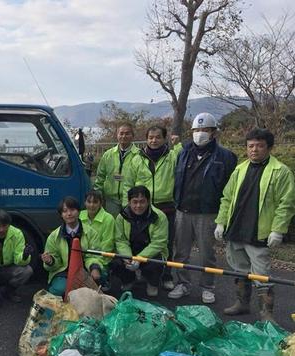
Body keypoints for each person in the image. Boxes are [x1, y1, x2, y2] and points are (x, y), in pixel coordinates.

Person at [215, 128, 295, 322]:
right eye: (250, 146)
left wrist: (278, 230)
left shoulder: (280, 171)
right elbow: (227, 198)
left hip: (259, 232)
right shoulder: (240, 169)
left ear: (269, 148)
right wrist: (221, 222)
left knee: (261, 275)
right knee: (239, 270)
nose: (254, 150)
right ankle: (242, 303)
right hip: (236, 229)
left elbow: (286, 204)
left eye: (260, 146)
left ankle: (266, 314)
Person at [169, 113, 237, 303]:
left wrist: (223, 218)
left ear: (213, 132)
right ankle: (182, 283)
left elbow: (230, 189)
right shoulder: (184, 153)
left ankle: (208, 287)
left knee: (207, 253)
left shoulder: (225, 156)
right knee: (181, 252)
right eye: (196, 130)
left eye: (205, 130)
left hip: (208, 213)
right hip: (183, 210)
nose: (200, 133)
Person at [123, 125, 178, 290]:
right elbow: (128, 184)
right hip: (141, 206)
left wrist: (178, 144)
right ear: (146, 139)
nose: (154, 141)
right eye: (151, 137)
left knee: (166, 244)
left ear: (164, 139)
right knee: (139, 240)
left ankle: (166, 276)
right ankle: (142, 275)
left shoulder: (172, 157)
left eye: (158, 137)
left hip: (166, 206)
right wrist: (128, 206)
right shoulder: (137, 159)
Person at [41, 196, 105, 297]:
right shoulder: (54, 236)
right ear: (61, 215)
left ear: (79, 211)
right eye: (65, 211)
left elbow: (94, 256)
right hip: (63, 272)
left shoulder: (91, 233)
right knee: (60, 289)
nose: (69, 214)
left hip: (85, 271)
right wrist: (50, 261)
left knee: (97, 284)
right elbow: (54, 266)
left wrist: (94, 268)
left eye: (72, 210)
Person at [113, 186, 168, 297]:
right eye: (135, 202)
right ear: (129, 202)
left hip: (151, 253)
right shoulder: (121, 217)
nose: (138, 206)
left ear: (148, 201)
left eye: (142, 202)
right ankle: (128, 280)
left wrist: (139, 258)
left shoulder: (160, 217)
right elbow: (120, 240)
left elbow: (159, 243)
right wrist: (128, 257)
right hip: (130, 250)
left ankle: (152, 283)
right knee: (115, 260)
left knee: (156, 263)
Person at [0, 210, 33, 303]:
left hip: (9, 268)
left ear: (9, 224)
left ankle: (8, 291)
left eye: (4, 226)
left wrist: (24, 256)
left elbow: (18, 260)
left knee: (27, 271)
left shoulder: (17, 233)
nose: (1, 230)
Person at [92, 123, 140, 216]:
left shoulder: (139, 155)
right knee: (112, 224)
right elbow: (100, 177)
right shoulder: (108, 154)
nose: (124, 136)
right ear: (117, 135)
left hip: (132, 200)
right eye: (121, 133)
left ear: (132, 136)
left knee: (128, 224)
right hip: (111, 200)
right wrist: (98, 195)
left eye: (127, 133)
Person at [79, 189, 116, 289]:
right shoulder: (79, 216)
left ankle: (105, 279)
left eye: (95, 202)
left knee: (97, 278)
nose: (91, 205)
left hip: (101, 259)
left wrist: (94, 264)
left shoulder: (109, 219)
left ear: (101, 203)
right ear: (85, 202)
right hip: (82, 258)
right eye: (89, 201)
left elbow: (107, 246)